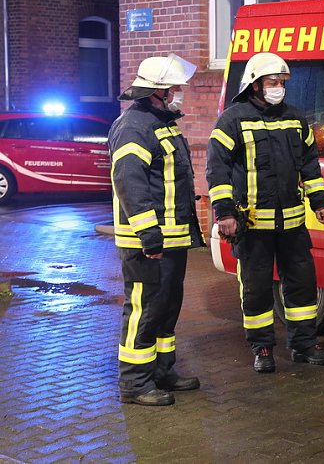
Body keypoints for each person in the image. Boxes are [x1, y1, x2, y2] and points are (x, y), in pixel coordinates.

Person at [206, 52, 324, 374]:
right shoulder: (232, 120)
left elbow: (309, 163)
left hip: (292, 225)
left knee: (303, 286)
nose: (278, 87)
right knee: (256, 289)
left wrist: (319, 200)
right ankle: (261, 347)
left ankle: (304, 344)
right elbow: (216, 169)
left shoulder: (295, 117)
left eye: (282, 82)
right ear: (255, 84)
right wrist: (224, 213)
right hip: (253, 225)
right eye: (272, 82)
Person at [109, 53, 203, 406]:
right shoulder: (134, 126)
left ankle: (162, 370)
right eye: (176, 87)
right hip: (148, 241)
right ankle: (134, 383)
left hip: (170, 237)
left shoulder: (161, 121)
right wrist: (149, 235)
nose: (180, 92)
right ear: (158, 91)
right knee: (144, 309)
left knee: (166, 307)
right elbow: (130, 183)